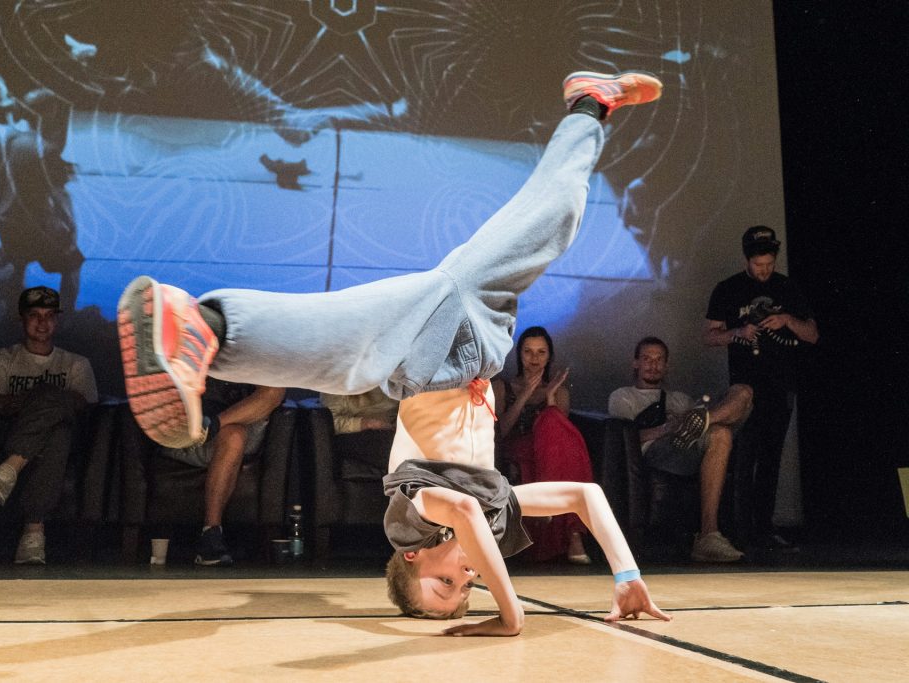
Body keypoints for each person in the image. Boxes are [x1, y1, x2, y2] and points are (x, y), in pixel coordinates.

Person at [118, 70, 669, 634]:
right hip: (474, 334)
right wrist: (626, 574)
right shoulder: (495, 500)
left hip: (436, 350)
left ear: (412, 555)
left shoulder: (419, 509)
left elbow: (466, 516)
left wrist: (510, 615)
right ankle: (589, 103)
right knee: (556, 218)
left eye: (445, 583)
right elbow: (585, 496)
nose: (466, 577)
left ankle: (202, 329)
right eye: (468, 590)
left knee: (350, 354)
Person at [704, 226, 818, 550]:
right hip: (744, 389)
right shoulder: (728, 289)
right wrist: (738, 332)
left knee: (771, 458)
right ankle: (737, 530)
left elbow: (812, 334)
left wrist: (786, 321)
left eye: (768, 264)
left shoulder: (787, 288)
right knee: (743, 455)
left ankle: (764, 529)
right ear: (747, 260)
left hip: (781, 385)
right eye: (758, 264)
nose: (764, 270)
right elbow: (709, 336)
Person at [0, 286, 98, 563]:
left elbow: (81, 403)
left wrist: (38, 400)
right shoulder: (0, 358)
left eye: (49, 315)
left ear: (57, 320)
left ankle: (9, 469)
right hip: (10, 431)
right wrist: (41, 399)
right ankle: (34, 533)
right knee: (56, 422)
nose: (43, 323)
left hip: (64, 440)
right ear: (21, 318)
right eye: (35, 315)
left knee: (61, 430)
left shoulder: (76, 364)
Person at [608, 337, 752, 562]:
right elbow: (625, 439)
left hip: (689, 449)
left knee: (742, 394)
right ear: (635, 363)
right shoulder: (623, 396)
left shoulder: (680, 399)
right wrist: (670, 427)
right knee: (719, 431)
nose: (653, 365)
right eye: (647, 359)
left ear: (666, 365)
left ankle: (708, 537)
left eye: (659, 360)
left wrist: (693, 421)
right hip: (656, 451)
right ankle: (702, 422)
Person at [492, 326, 594, 564]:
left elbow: (560, 438)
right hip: (516, 447)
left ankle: (567, 526)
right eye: (528, 352)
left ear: (549, 356)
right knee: (554, 432)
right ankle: (573, 534)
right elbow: (500, 432)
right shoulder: (501, 387)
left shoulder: (558, 391)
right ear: (519, 355)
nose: (534, 359)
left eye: (541, 352)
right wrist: (526, 394)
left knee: (553, 423)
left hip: (547, 453)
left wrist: (549, 399)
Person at [0, 88, 84, 311]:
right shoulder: (44, 150)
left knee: (17, 265)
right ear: (49, 114)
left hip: (1, 219)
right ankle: (66, 318)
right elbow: (60, 197)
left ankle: (10, 315)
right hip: (35, 226)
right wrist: (71, 229)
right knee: (73, 263)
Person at [161, 378, 284, 566]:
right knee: (233, 436)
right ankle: (211, 532)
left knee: (274, 388)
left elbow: (271, 396)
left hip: (240, 424)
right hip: (191, 434)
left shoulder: (256, 350)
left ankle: (211, 426)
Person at [319, 387, 399, 435]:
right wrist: (369, 423)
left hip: (398, 393)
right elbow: (331, 424)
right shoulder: (330, 397)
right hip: (394, 418)